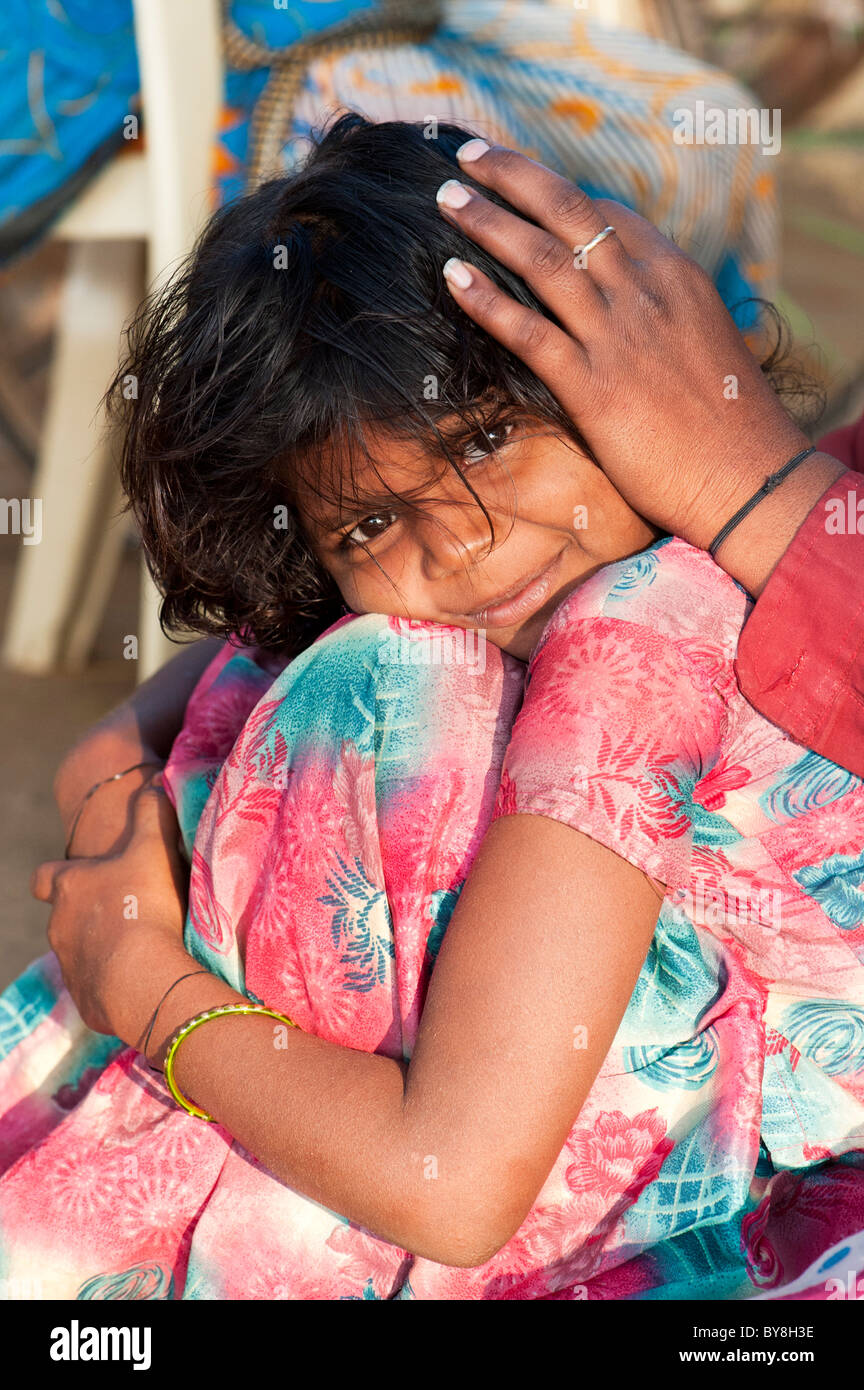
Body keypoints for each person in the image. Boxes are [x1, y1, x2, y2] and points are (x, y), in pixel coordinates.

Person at [5, 116, 864, 1301]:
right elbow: (156, 716)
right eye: (366, 525)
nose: (460, 541)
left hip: (574, 1202)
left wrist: (144, 985)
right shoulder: (600, 575)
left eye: (491, 438)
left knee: (379, 689)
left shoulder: (636, 635)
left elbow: (448, 1182)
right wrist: (124, 833)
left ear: (621, 386)